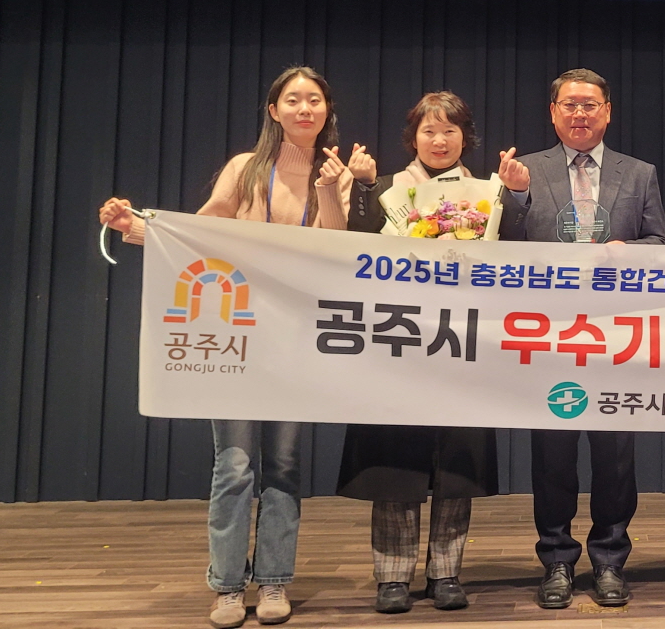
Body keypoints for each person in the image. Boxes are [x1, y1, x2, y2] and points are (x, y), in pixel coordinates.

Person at [99, 66, 357, 629]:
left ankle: (275, 579)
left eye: (315, 100)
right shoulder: (246, 167)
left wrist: (327, 189)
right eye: (294, 100)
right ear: (274, 110)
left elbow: (337, 249)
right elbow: (200, 232)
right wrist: (135, 227)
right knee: (235, 464)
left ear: (327, 110)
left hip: (296, 339)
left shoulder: (335, 173)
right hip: (238, 335)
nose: (305, 109)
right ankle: (227, 585)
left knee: (283, 465)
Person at [496, 68, 665, 609]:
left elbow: (660, 242)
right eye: (569, 104)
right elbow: (501, 247)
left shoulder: (639, 173)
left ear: (607, 112)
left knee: (615, 457)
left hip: (616, 337)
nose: (580, 113)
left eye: (590, 104)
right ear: (553, 112)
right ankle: (557, 560)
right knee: (553, 455)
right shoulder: (525, 171)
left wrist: (627, 252)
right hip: (550, 335)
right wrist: (515, 196)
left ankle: (610, 560)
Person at [339, 91, 499, 615]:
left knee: (456, 462)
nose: (439, 140)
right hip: (399, 343)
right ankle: (392, 576)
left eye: (450, 130)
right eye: (429, 130)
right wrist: (363, 188)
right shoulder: (384, 188)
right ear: (413, 138)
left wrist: (514, 198)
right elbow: (353, 247)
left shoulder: (487, 196)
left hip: (460, 343)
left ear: (465, 138)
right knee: (395, 462)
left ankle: (446, 572)